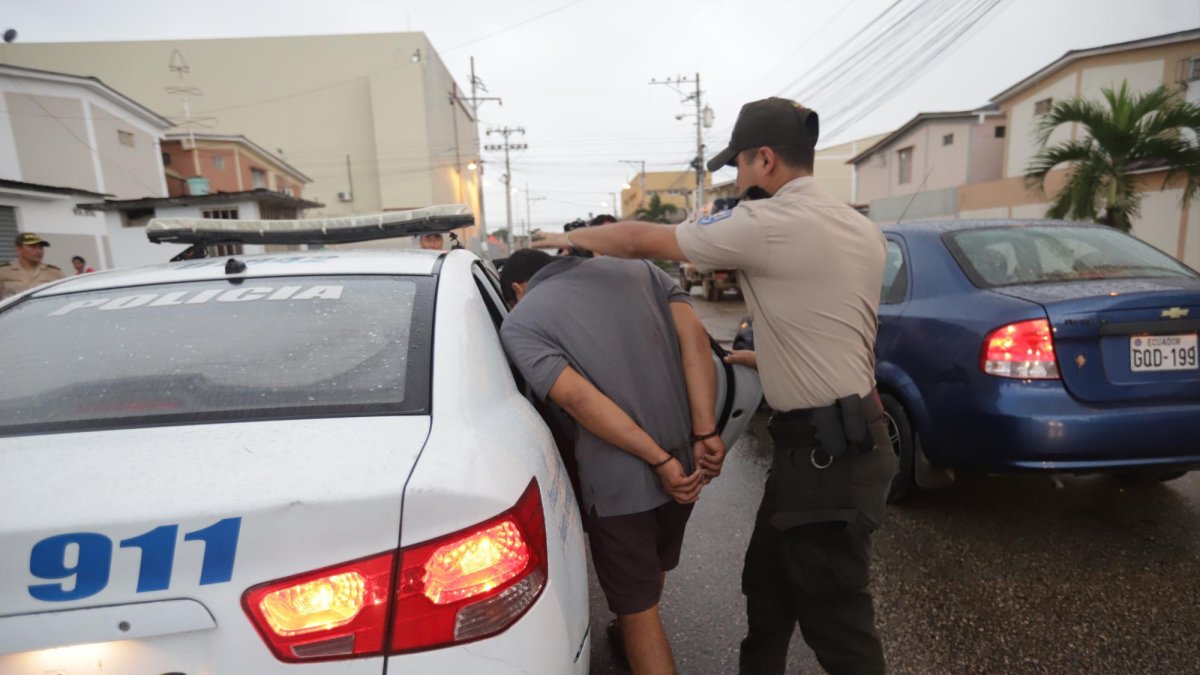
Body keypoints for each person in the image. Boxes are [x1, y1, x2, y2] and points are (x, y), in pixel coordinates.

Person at [533, 97, 897, 675]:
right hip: (834, 444)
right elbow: (835, 321)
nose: (737, 177)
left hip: (828, 458)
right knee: (768, 590)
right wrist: (773, 358)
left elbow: (640, 242)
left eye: (739, 165)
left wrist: (572, 237)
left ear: (766, 159)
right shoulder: (859, 226)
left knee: (839, 624)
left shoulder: (769, 221)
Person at [499, 248, 726, 675]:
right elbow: (694, 341)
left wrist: (657, 462)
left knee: (637, 611)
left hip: (621, 487)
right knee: (652, 569)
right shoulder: (643, 272)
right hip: (687, 464)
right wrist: (705, 432)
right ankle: (630, 633)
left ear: (516, 288)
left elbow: (579, 400)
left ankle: (634, 633)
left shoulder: (523, 319)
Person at [1, 233, 65, 300]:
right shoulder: (3, 272)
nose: (39, 251)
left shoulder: (55, 272)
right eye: (33, 246)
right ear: (18, 249)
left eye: (41, 247)